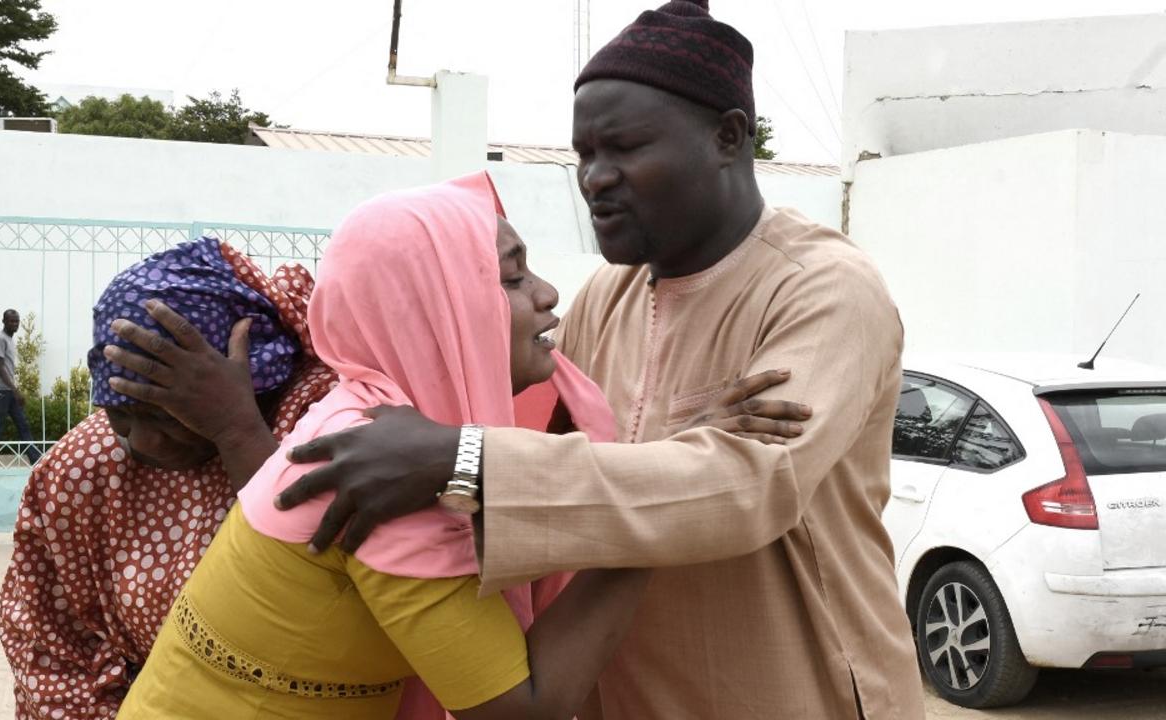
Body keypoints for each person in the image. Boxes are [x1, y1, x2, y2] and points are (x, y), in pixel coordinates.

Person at [271, 2, 926, 718]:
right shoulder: (605, 297)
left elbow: (746, 487)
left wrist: (464, 461)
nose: (595, 178)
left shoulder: (823, 292)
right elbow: (548, 455)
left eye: (625, 147)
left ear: (728, 138)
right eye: (585, 153)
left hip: (796, 692)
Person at [114, 173, 793, 720]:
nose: (550, 294)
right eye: (513, 276)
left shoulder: (370, 420)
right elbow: (525, 710)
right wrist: (657, 515)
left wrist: (662, 461)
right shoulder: (386, 473)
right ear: (440, 305)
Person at [0, 237, 337, 719]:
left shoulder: (317, 422)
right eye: (123, 413)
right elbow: (46, 646)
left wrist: (236, 431)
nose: (143, 443)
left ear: (255, 385)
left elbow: (333, 585)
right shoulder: (83, 467)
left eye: (168, 414)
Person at [0, 308, 42, 465]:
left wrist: (13, 390)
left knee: (22, 424)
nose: (15, 324)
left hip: (9, 391)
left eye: (17, 321)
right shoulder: (0, 338)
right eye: (11, 321)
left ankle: (35, 460)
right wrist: (15, 390)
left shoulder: (9, 339)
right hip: (1, 391)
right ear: (4, 321)